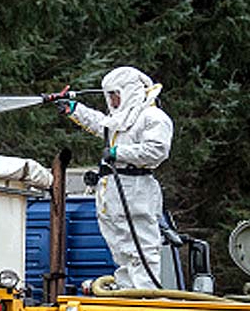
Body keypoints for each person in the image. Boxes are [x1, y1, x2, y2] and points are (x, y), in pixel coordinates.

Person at [55, 66, 173, 289]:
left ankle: (144, 293)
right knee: (120, 246)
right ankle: (128, 289)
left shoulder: (152, 117)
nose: (113, 100)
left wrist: (120, 153)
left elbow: (157, 150)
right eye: (109, 96)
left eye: (115, 94)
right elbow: (100, 124)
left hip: (136, 188)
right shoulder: (120, 119)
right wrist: (74, 110)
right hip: (114, 189)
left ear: (129, 91)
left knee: (142, 246)